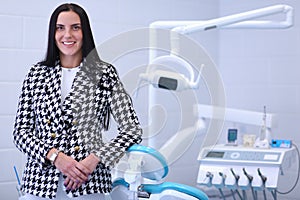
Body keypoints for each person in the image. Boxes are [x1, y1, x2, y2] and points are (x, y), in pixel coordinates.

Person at [13, 3, 142, 200]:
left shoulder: (104, 74)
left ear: (85, 32)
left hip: (89, 182)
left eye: (75, 27)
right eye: (60, 28)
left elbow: (132, 129)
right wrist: (56, 157)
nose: (67, 35)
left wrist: (94, 159)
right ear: (52, 33)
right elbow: (21, 133)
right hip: (40, 184)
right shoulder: (36, 74)